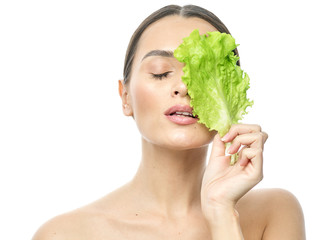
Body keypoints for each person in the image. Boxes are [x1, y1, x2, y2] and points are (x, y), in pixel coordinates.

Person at [32, 4, 305, 240]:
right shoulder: (63, 234)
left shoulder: (275, 212)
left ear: (230, 94)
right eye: (161, 73)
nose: (183, 88)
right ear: (125, 97)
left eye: (205, 73)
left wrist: (221, 213)